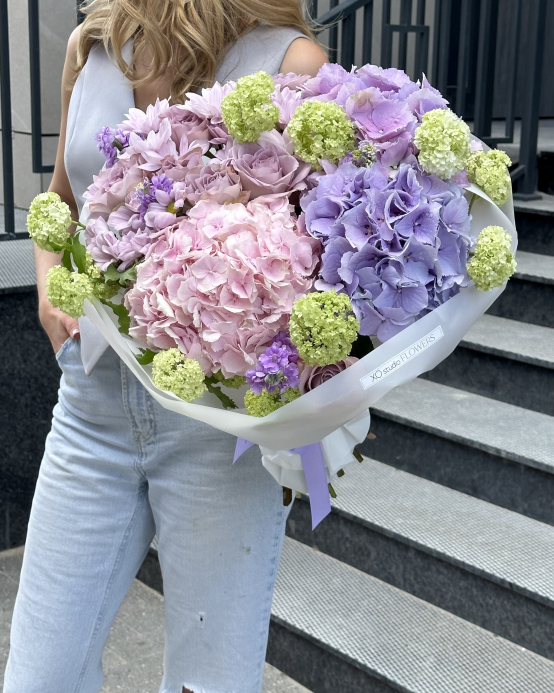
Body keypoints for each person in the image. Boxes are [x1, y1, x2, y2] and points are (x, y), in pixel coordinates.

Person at [4, 2, 327, 692]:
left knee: (210, 684)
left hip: (218, 428)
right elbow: (60, 198)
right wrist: (46, 278)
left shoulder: (287, 62)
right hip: (91, 403)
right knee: (37, 678)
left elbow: (323, 253)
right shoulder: (96, 46)